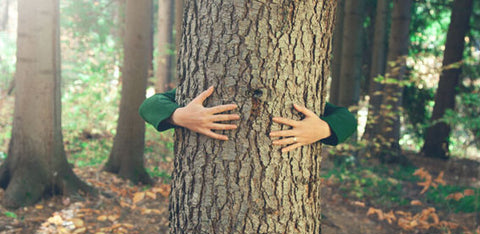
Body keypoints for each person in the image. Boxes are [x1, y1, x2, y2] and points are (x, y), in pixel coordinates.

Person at [139, 86, 357, 152]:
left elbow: (347, 119)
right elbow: (149, 105)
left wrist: (325, 129)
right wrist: (179, 116)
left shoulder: (298, 95)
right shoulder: (199, 89)